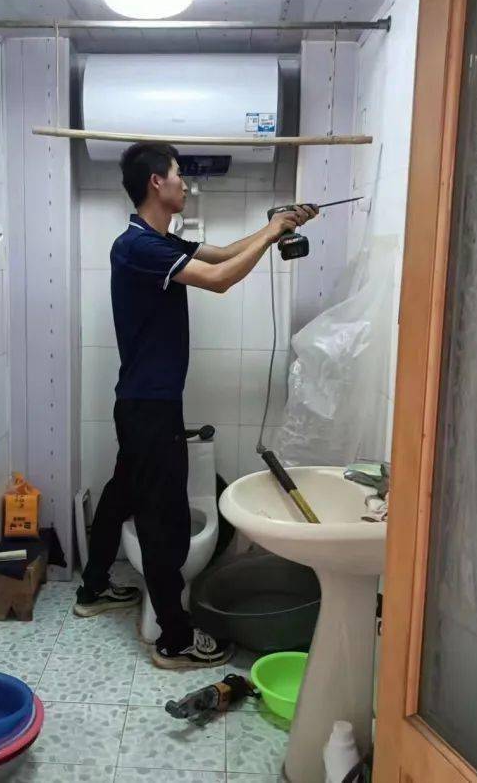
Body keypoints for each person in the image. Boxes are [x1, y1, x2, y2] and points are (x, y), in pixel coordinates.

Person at [73, 142, 317, 669]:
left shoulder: (158, 241)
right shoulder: (138, 246)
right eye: (178, 173)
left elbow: (223, 254)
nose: (184, 182)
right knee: (163, 519)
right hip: (149, 407)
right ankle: (175, 639)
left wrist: (274, 225)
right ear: (156, 183)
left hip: (142, 402)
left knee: (121, 496)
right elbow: (220, 280)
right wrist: (271, 234)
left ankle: (93, 588)